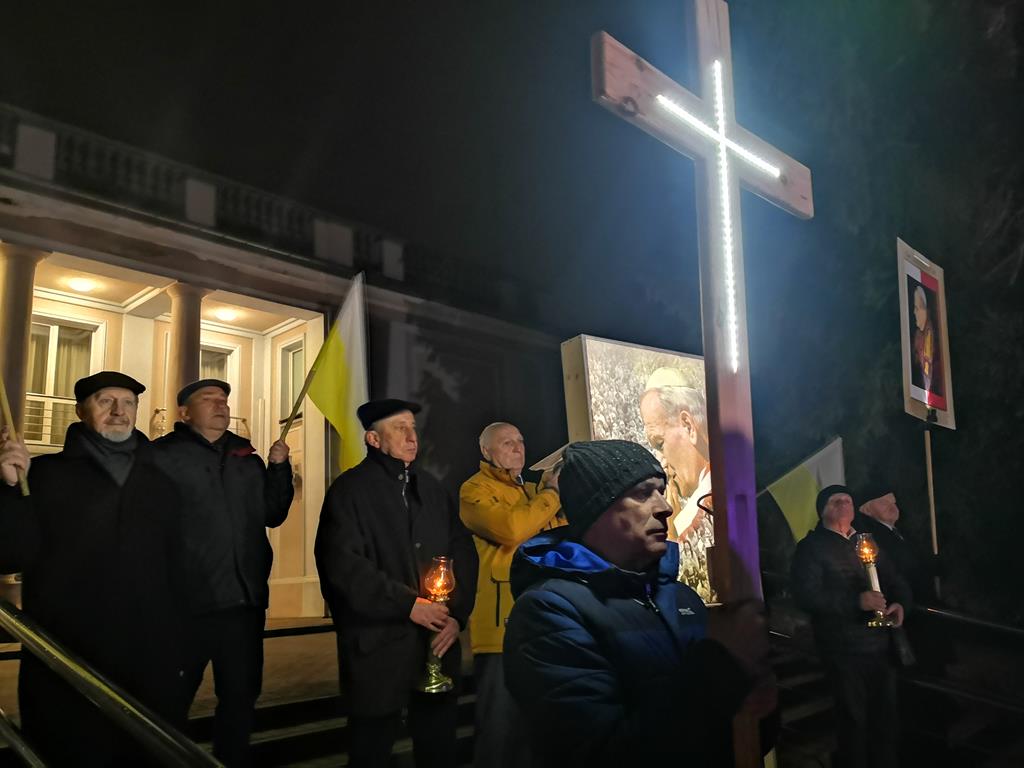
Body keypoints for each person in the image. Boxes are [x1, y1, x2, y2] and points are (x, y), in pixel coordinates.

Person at [503, 439, 775, 766]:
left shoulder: (681, 598)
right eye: (643, 493)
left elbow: (737, 737)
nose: (665, 506)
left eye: (661, 490)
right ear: (597, 509)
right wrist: (724, 664)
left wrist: (759, 701)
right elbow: (600, 754)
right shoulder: (548, 613)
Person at [0, 371, 188, 766]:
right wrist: (9, 490)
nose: (119, 411)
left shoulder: (164, 480)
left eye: (129, 402)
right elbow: (11, 554)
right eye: (106, 401)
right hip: (71, 660)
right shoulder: (45, 475)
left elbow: (183, 564)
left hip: (150, 660)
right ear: (81, 411)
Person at [315, 398, 478, 768]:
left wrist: (455, 615)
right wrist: (408, 605)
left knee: (438, 747)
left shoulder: (432, 489)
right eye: (399, 428)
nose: (411, 436)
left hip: (436, 643)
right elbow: (342, 566)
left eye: (413, 428)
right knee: (371, 749)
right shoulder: (349, 491)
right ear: (373, 439)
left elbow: (462, 552)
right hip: (378, 648)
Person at [153, 378, 293, 767]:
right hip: (187, 606)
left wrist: (279, 469)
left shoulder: (246, 458)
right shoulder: (161, 456)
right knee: (172, 698)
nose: (220, 405)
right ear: (185, 412)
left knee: (241, 696)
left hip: (244, 603)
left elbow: (273, 513)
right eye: (208, 399)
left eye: (224, 400)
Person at [459, 422, 563, 768]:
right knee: (499, 730)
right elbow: (510, 529)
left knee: (539, 729)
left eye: (520, 440)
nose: (518, 447)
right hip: (500, 630)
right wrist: (552, 495)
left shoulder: (534, 492)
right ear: (486, 451)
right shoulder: (474, 490)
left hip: (544, 622)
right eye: (507, 443)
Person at [791, 485, 911, 768]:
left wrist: (900, 603)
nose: (844, 504)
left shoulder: (866, 542)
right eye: (836, 501)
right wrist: (856, 602)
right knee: (853, 722)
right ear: (822, 510)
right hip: (843, 651)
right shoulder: (811, 548)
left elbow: (894, 579)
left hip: (880, 647)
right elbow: (807, 596)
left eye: (848, 500)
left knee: (886, 721)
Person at [639, 368, 715, 599]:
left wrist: (668, 523)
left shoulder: (709, 498)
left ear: (688, 426)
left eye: (660, 444)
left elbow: (683, 577)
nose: (661, 462)